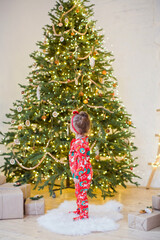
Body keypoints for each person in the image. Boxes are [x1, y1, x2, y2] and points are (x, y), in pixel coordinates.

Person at [69, 110, 93, 221]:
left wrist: (77, 176)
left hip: (82, 174)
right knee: (78, 192)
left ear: (75, 129)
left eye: (71, 124)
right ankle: (79, 210)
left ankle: (84, 215)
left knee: (82, 194)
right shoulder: (79, 141)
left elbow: (82, 162)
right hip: (78, 173)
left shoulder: (80, 143)